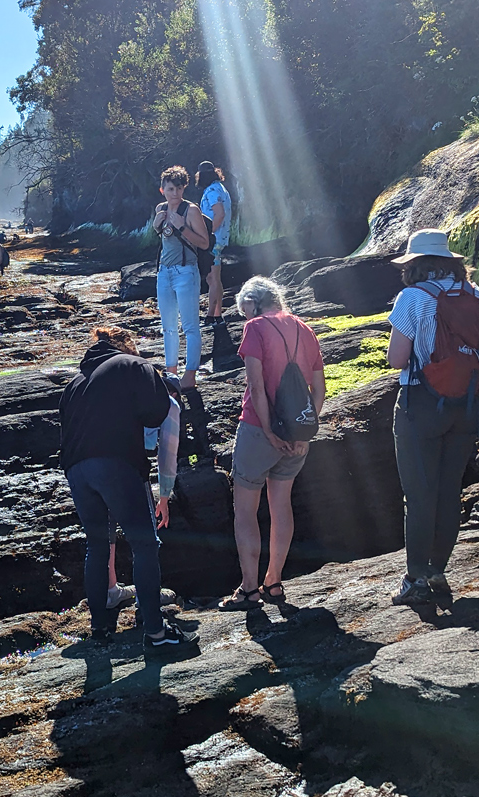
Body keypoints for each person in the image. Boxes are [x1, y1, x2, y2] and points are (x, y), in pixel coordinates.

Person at [60, 326, 196, 650]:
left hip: (77, 471)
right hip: (118, 464)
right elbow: (158, 411)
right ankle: (156, 633)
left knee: (96, 546)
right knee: (144, 545)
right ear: (127, 347)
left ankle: (100, 631)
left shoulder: (75, 384)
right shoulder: (133, 366)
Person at [385, 230, 479, 605]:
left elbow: (398, 359)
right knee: (449, 491)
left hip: (421, 402)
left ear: (414, 264)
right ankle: (438, 570)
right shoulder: (475, 295)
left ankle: (415, 579)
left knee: (419, 494)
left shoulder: (412, 297)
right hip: (465, 404)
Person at [219, 277, 325, 610]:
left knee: (245, 512)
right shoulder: (305, 329)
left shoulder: (255, 328)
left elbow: (257, 385)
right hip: (298, 436)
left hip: (257, 430)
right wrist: (301, 431)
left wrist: (269, 430)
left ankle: (249, 590)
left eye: (243, 310)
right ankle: (274, 583)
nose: (243, 317)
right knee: (281, 507)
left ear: (251, 303)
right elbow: (319, 388)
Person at [153, 166, 211, 389]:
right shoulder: (160, 208)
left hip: (186, 271)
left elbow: (204, 243)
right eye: (170, 189)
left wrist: (182, 227)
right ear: (162, 190)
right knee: (168, 326)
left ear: (184, 187)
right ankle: (171, 371)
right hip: (164, 272)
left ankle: (190, 375)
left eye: (178, 188)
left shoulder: (191, 210)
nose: (175, 193)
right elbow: (162, 237)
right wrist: (156, 225)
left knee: (190, 326)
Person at [197, 161, 233, 323]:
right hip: (221, 238)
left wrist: (207, 234)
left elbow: (219, 213)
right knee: (215, 277)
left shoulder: (211, 191)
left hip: (214, 239)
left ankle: (212, 314)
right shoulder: (221, 188)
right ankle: (217, 313)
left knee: (212, 278)